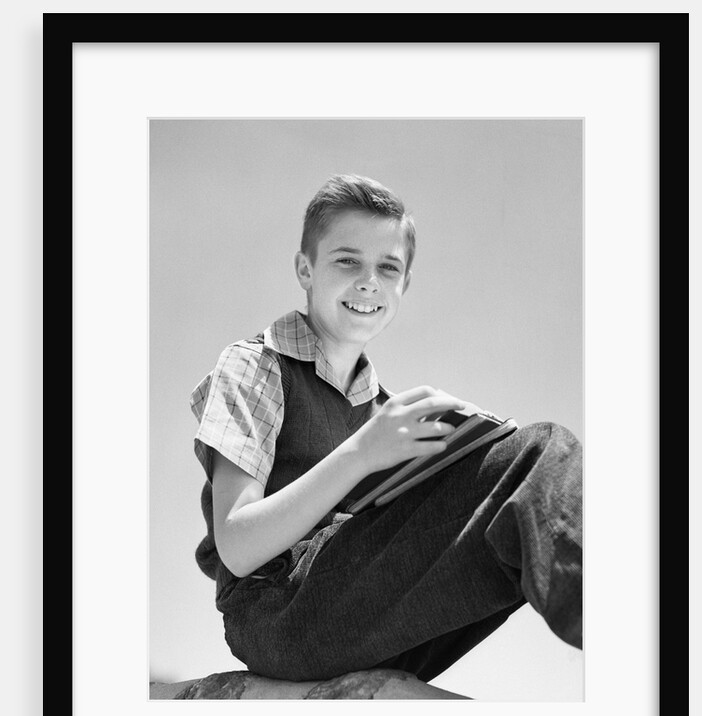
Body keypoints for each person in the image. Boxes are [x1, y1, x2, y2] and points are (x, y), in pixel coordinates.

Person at [190, 173, 582, 685]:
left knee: (515, 500)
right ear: (305, 269)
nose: (369, 280)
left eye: (388, 267)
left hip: (366, 616)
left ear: (404, 284)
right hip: (278, 614)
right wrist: (362, 451)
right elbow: (237, 548)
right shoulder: (257, 367)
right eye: (347, 260)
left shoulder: (384, 408)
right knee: (540, 452)